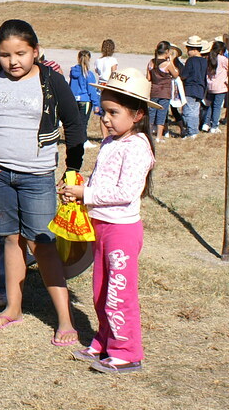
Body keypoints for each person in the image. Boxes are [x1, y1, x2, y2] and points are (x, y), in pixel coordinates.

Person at [0, 19, 85, 346]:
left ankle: (64, 318)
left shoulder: (51, 81)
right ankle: (14, 308)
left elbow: (74, 126)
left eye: (20, 53)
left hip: (36, 177)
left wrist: (72, 169)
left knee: (41, 243)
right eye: (4, 55)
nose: (13, 61)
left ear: (36, 52)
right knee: (10, 240)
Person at [60, 67, 156, 374]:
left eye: (114, 113)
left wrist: (85, 193)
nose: (105, 118)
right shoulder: (112, 142)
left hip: (121, 232)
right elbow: (105, 181)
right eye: (103, 111)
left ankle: (127, 350)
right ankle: (104, 341)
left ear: (138, 114)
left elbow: (126, 191)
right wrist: (81, 187)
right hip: (100, 227)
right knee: (101, 291)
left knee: (119, 292)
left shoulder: (138, 147)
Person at [145, 41, 179, 143]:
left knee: (151, 112)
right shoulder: (167, 64)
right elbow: (176, 74)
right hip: (164, 91)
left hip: (154, 91)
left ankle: (149, 134)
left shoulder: (151, 62)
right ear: (167, 52)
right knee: (162, 113)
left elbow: (148, 77)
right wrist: (172, 61)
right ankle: (159, 136)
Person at [178, 36, 208, 138]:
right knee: (195, 111)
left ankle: (191, 131)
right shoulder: (205, 61)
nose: (187, 51)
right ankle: (194, 130)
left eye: (189, 49)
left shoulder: (190, 61)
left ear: (194, 50)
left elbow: (185, 75)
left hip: (190, 88)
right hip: (200, 89)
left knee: (187, 111)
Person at [69, 50, 99, 145]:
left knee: (76, 122)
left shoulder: (73, 72)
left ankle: (76, 139)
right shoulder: (88, 74)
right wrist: (96, 104)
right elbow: (92, 90)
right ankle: (83, 141)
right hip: (85, 100)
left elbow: (71, 86)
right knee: (83, 122)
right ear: (89, 59)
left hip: (74, 100)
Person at [94, 39, 118, 140]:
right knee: (111, 110)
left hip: (100, 85)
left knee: (102, 112)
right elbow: (114, 73)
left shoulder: (98, 61)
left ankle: (104, 136)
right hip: (109, 84)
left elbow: (97, 71)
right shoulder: (113, 60)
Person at [202, 40, 229, 133]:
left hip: (210, 86)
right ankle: (214, 126)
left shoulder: (208, 58)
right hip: (220, 87)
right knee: (217, 106)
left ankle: (206, 123)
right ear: (222, 51)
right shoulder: (223, 59)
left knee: (210, 105)